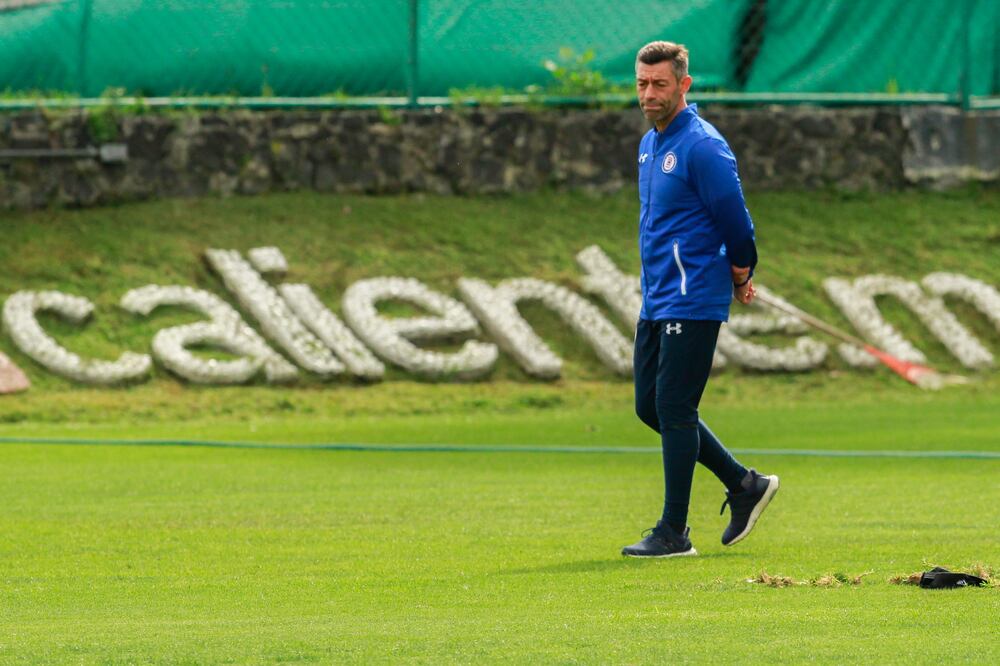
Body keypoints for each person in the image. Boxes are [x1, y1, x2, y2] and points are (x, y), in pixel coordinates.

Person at [621, 41, 779, 558]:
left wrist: (741, 267)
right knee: (651, 406)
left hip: (693, 295)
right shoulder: (649, 144)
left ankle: (673, 532)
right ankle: (743, 483)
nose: (649, 93)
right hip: (659, 296)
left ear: (683, 85)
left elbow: (735, 218)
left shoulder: (703, 146)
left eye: (660, 84)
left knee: (674, 405)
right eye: (643, 83)